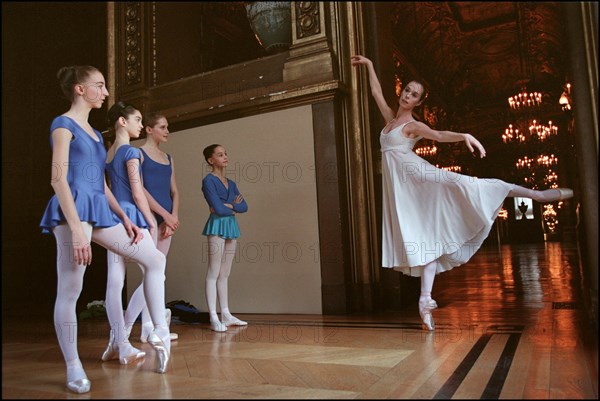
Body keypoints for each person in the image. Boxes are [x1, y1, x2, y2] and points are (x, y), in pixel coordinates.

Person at [350, 55, 574, 331]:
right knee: (426, 240)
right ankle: (425, 301)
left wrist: (464, 136)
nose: (408, 95)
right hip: (404, 189)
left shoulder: (413, 126)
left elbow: (440, 135)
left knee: (471, 186)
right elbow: (375, 92)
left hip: (420, 178)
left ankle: (536, 195)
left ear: (419, 103)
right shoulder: (389, 120)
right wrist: (370, 64)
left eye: (414, 94)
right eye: (407, 90)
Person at [39, 67, 170, 394]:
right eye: (99, 85)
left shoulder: (98, 135)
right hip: (74, 209)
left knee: (154, 260)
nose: (106, 92)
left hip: (100, 209)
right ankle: (73, 366)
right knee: (71, 287)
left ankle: (158, 336)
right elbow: (58, 178)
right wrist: (77, 230)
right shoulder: (63, 125)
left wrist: (123, 219)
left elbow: (102, 183)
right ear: (80, 89)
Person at [100, 101, 174, 371]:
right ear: (122, 121)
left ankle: (118, 340)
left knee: (115, 282)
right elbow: (136, 190)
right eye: (137, 119)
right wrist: (151, 224)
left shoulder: (108, 153)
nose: (141, 125)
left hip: (113, 218)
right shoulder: (130, 152)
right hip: (134, 217)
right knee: (155, 269)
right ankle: (157, 333)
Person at [123, 112, 180, 343]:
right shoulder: (138, 154)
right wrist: (164, 215)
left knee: (157, 274)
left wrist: (173, 216)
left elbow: (174, 191)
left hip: (167, 221)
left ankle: (148, 328)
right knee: (151, 274)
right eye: (163, 127)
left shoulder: (169, 158)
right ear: (149, 129)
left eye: (167, 127)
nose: (167, 131)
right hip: (148, 219)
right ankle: (125, 327)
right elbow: (141, 190)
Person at [201, 144, 249, 332]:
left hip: (231, 225)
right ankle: (214, 316)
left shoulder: (232, 183)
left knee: (225, 272)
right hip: (217, 224)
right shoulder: (208, 181)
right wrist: (232, 206)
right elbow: (218, 209)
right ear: (211, 160)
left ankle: (226, 314)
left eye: (226, 153)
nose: (225, 157)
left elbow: (244, 207)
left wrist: (227, 206)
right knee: (213, 271)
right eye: (220, 155)